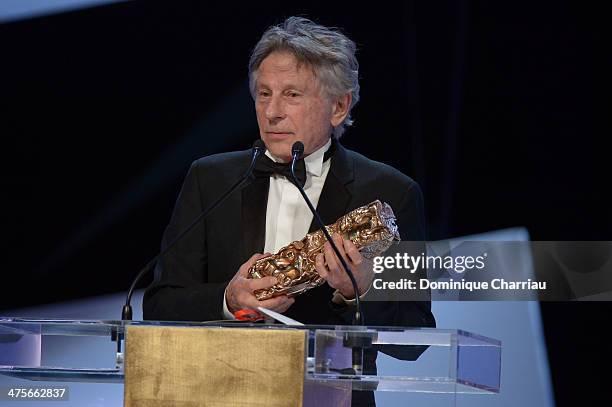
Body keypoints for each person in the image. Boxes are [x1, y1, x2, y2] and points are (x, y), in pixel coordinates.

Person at [143, 17, 434, 405]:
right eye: (264, 94)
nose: (272, 112)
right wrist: (228, 301)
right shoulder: (209, 178)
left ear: (338, 106)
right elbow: (159, 304)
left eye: (292, 95)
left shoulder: (391, 193)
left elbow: (414, 338)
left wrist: (359, 291)